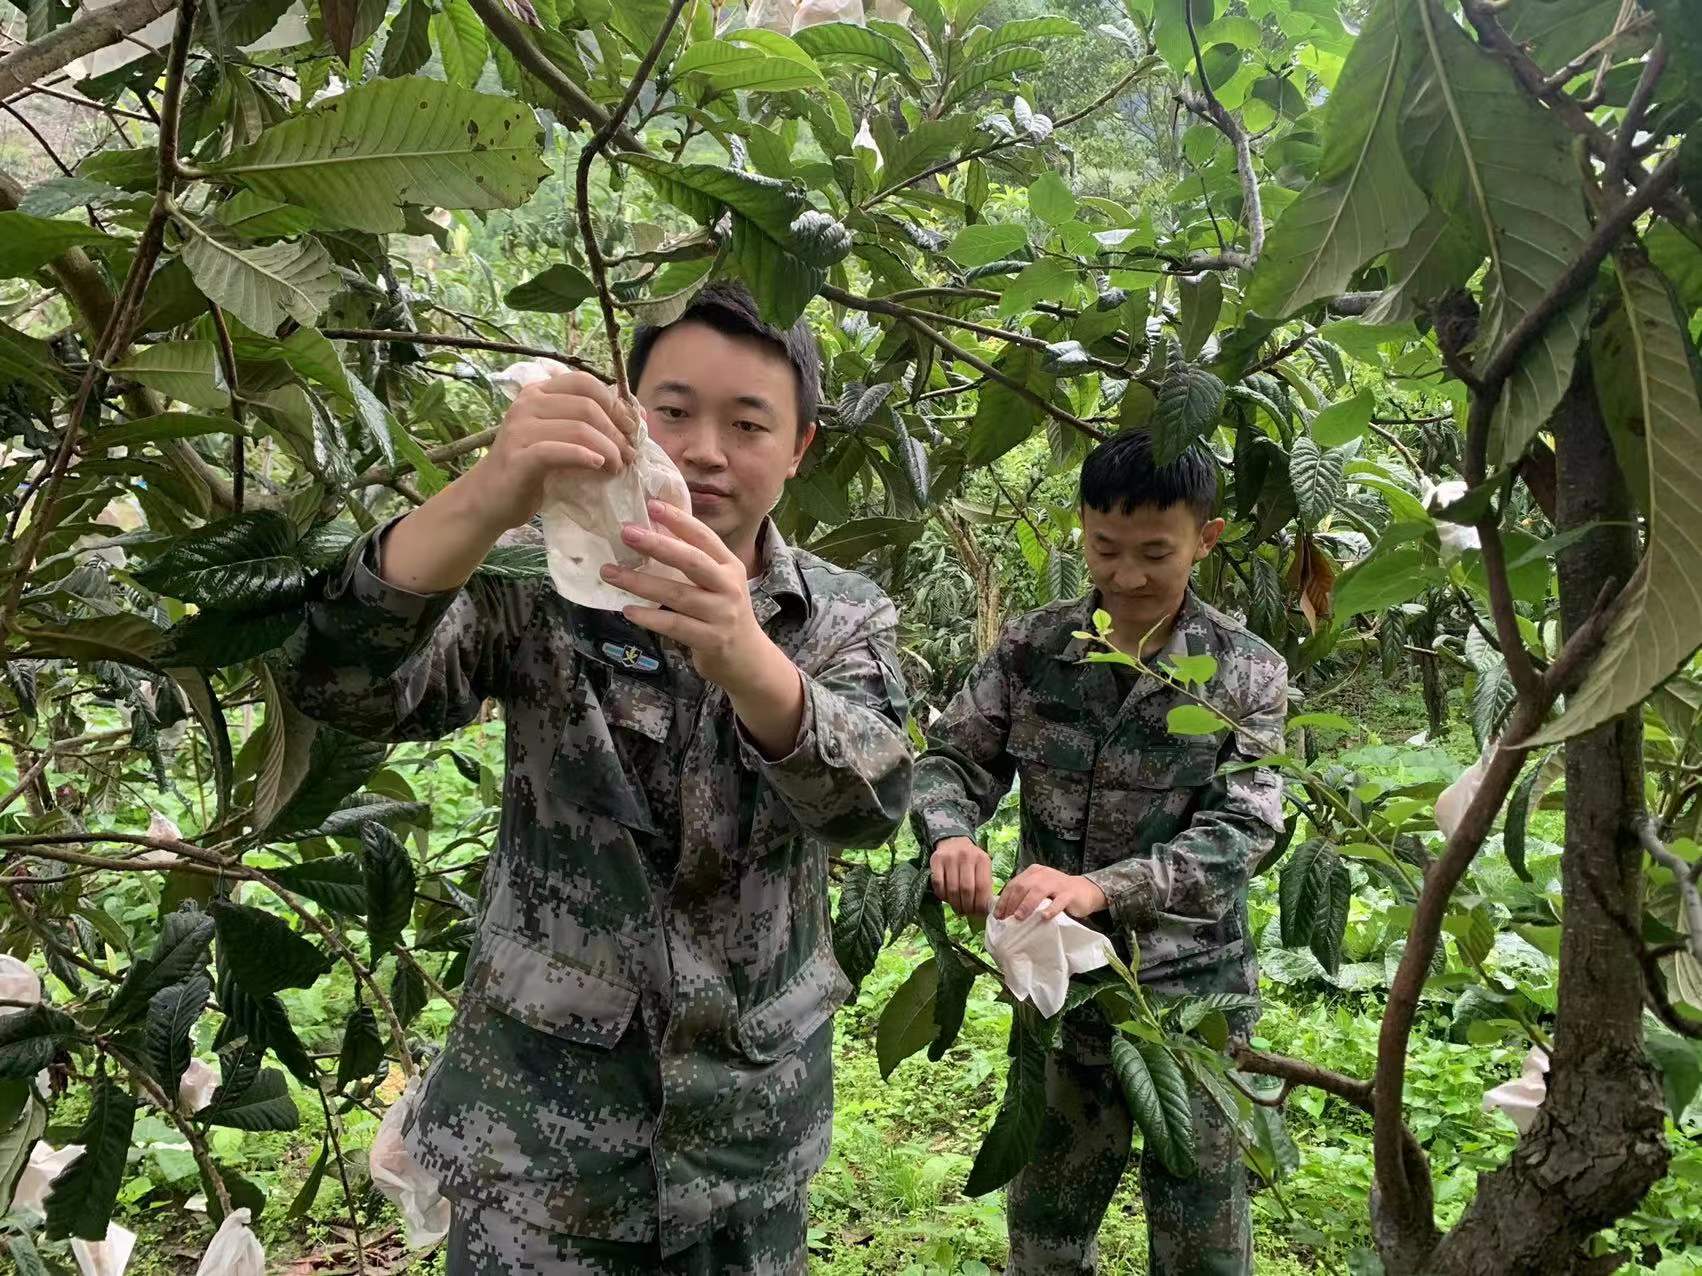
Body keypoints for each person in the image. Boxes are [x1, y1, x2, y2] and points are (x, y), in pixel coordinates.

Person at [280, 281, 914, 1274]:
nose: (704, 448)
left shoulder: (839, 616)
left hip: (747, 1138)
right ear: (624, 411)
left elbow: (871, 804)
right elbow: (344, 681)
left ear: (800, 450)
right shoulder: (536, 584)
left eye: (748, 422)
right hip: (539, 1141)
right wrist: (491, 491)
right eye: (672, 411)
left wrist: (748, 657)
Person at [910, 431, 1287, 1276]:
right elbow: (953, 760)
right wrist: (951, 831)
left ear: (1207, 538)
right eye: (1104, 548)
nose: (1126, 576)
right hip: (1063, 993)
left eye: (1156, 552)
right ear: (1081, 526)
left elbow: (1244, 831)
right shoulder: (1035, 648)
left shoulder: (1245, 673)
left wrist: (1101, 889)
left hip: (1193, 1001)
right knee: (1047, 1221)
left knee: (1202, 1234)